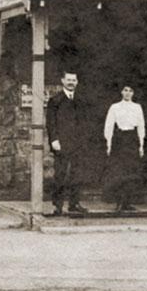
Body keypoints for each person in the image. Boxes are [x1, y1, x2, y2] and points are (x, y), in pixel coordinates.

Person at [46, 70, 89, 215]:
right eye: (69, 80)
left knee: (77, 174)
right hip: (62, 143)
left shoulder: (80, 100)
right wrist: (54, 140)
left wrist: (84, 139)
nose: (71, 83)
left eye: (74, 80)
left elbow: (84, 122)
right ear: (63, 81)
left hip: (77, 143)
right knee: (61, 174)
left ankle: (74, 203)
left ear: (77, 82)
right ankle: (57, 205)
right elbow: (51, 123)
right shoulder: (56, 100)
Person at [102, 83, 145, 212]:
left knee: (131, 172)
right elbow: (109, 126)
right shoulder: (115, 107)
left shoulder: (137, 107)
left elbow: (141, 126)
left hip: (132, 139)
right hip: (120, 139)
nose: (128, 93)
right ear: (121, 92)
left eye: (130, 90)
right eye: (125, 90)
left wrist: (141, 144)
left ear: (133, 93)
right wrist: (109, 144)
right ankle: (119, 202)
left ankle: (128, 202)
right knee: (119, 172)